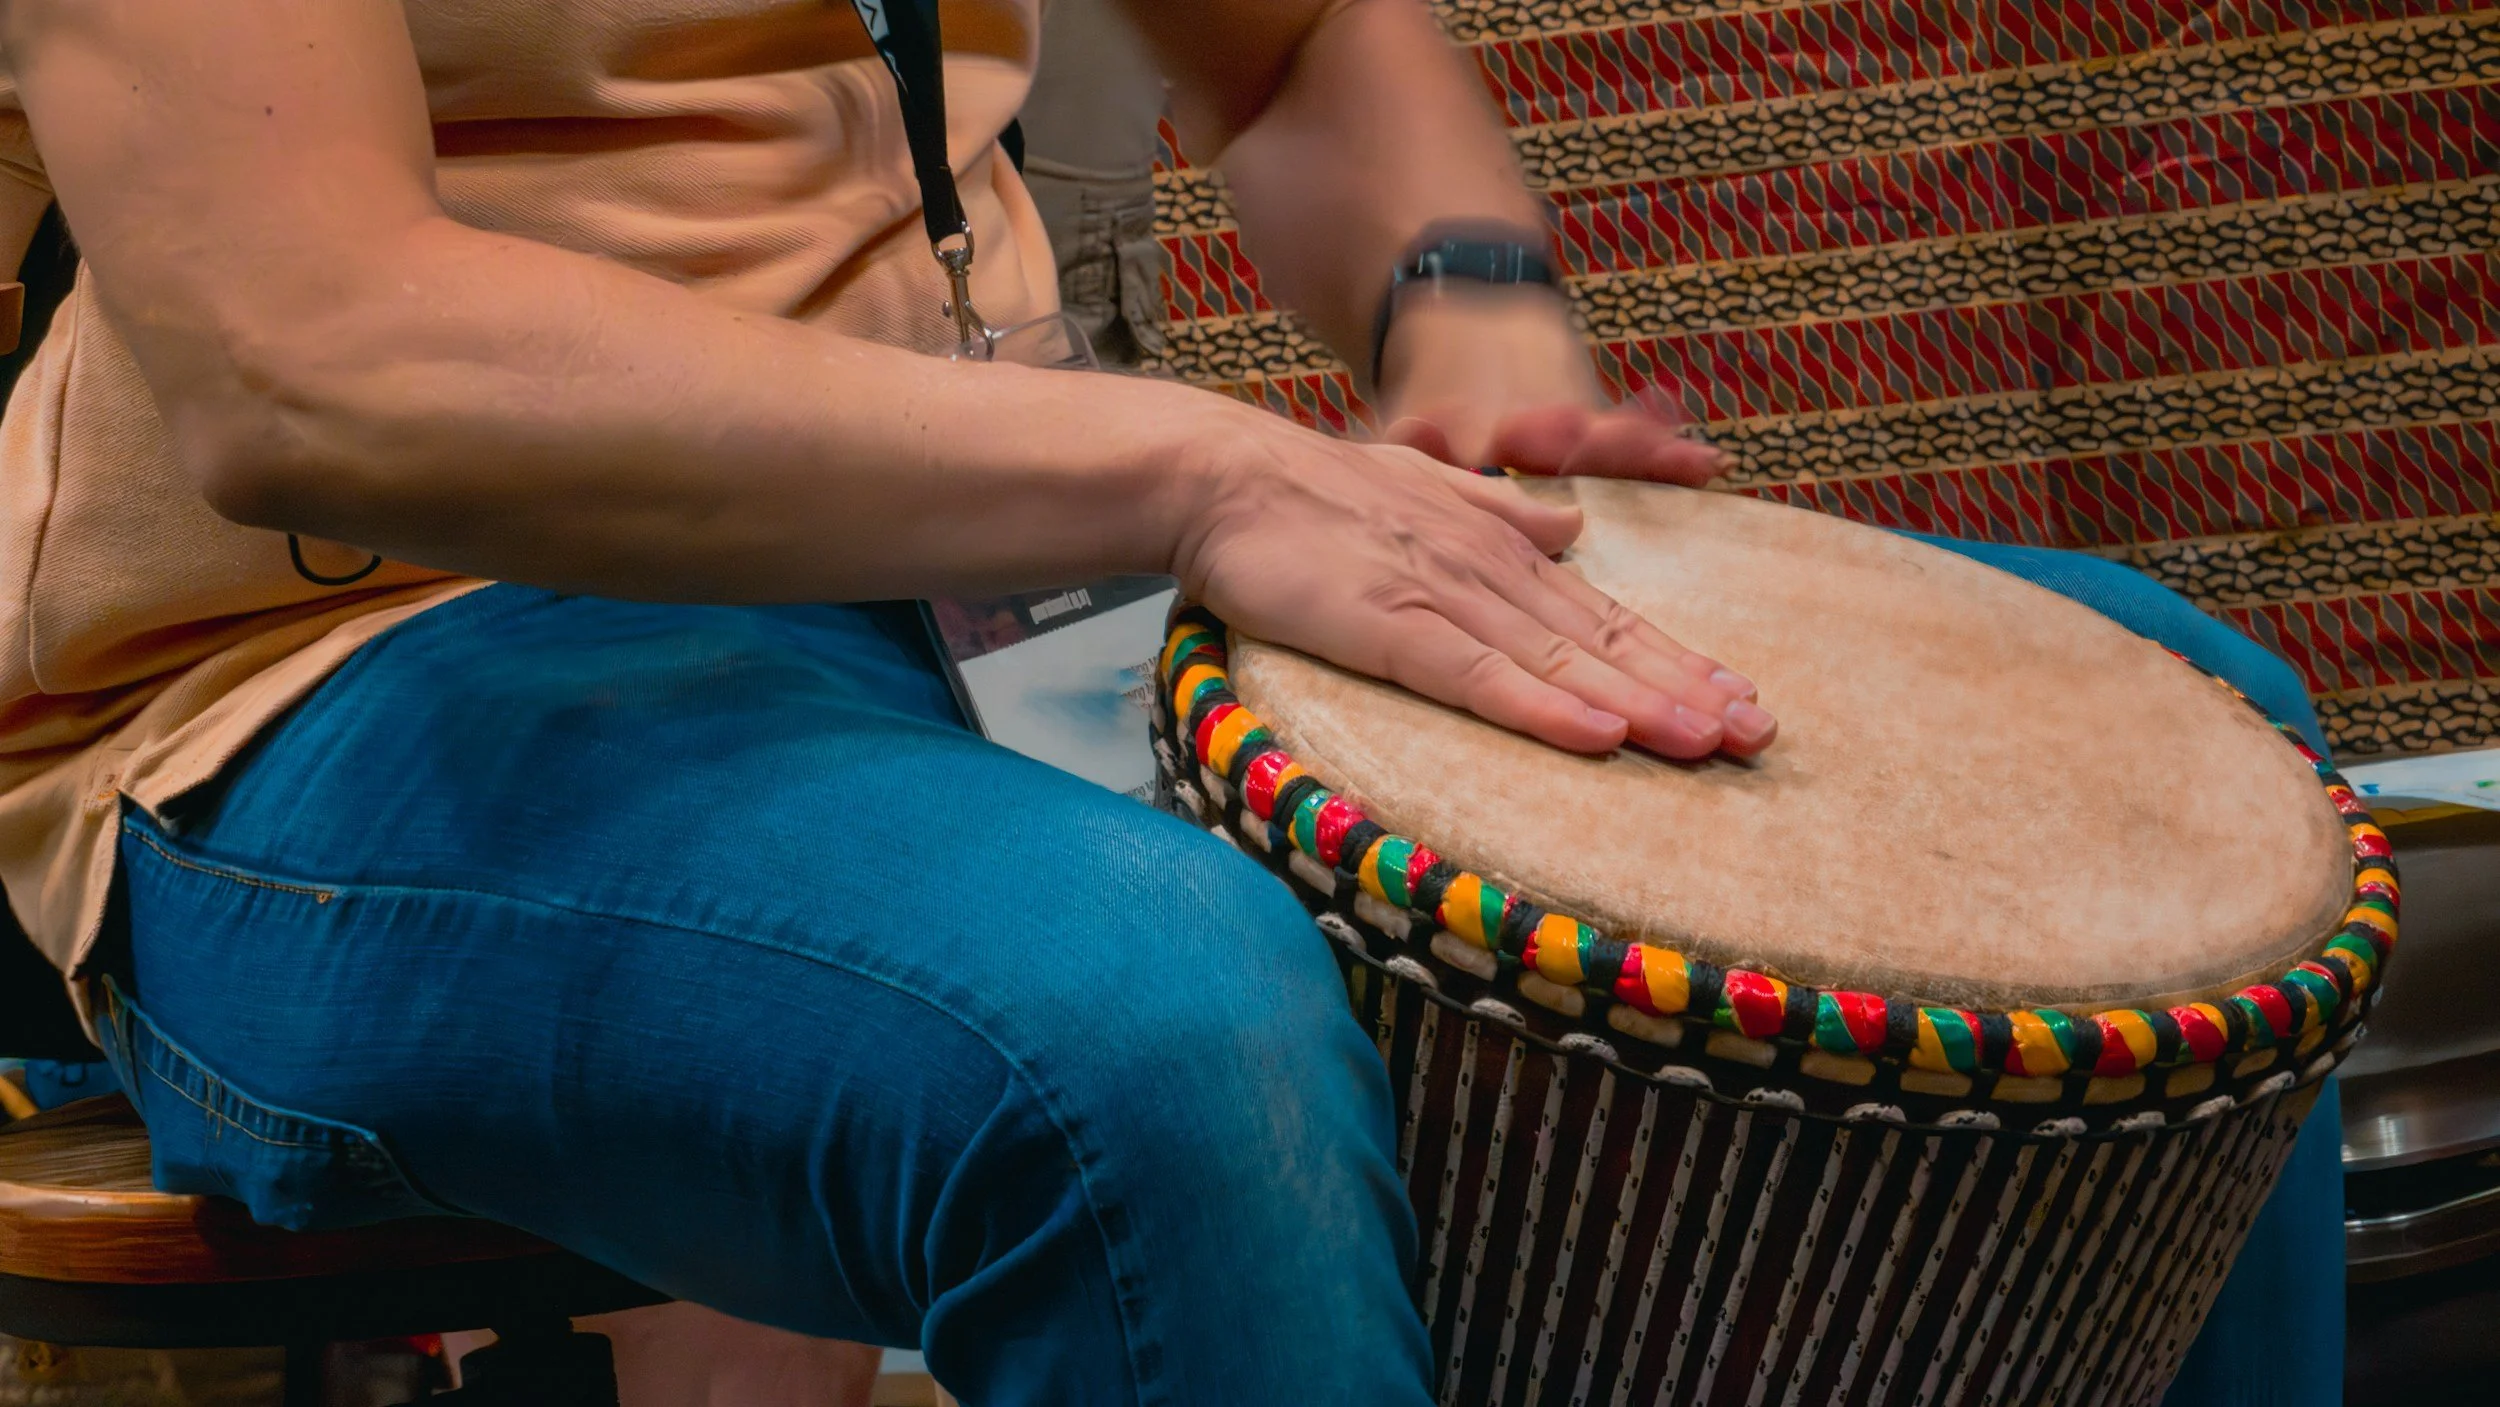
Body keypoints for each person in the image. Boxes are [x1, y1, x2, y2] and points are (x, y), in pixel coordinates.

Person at [0, 1, 2330, 1403]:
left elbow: (1301, 44)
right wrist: (1200, 466)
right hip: (338, 669)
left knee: (2177, 744)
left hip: (976, 570)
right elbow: (319, 357)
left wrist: (1469, 330)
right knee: (1135, 1014)